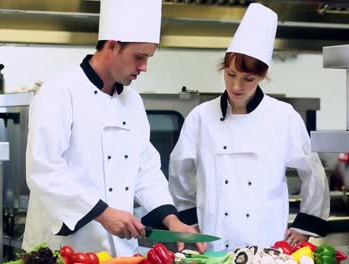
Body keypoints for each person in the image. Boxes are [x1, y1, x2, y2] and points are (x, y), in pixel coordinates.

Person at [23, 0, 203, 256]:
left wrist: (171, 219)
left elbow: (146, 169)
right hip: (65, 249)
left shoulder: (133, 102)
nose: (144, 67)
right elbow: (44, 170)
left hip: (121, 249)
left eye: (148, 58)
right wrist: (103, 213)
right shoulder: (59, 92)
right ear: (112, 45)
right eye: (139, 57)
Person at [168, 3, 330, 252]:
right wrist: (189, 221)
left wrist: (305, 224)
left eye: (248, 79)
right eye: (231, 74)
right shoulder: (201, 117)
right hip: (214, 246)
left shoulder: (283, 116)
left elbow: (313, 173)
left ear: (262, 76)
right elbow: (180, 174)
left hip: (267, 245)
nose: (236, 86)